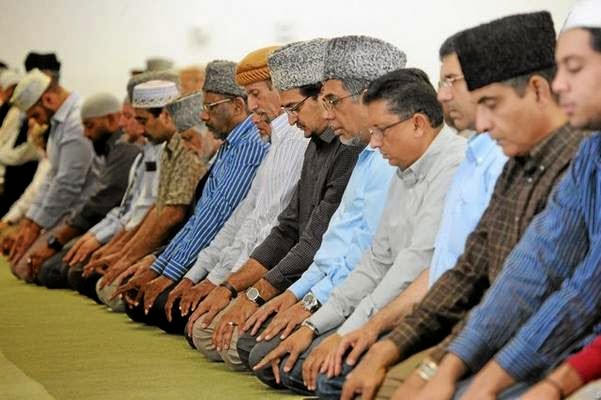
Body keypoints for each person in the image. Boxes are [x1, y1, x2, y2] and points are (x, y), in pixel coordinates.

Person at [344, 11, 588, 400]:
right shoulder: (518, 163)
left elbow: (556, 298)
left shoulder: (575, 158)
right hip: (493, 338)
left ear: (539, 90)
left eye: (575, 69)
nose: (483, 124)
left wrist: (446, 367)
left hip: (551, 354)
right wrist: (408, 354)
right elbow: (473, 271)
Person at [238, 36, 400, 390]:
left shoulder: (367, 154)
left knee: (289, 364)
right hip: (340, 289)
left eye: (332, 101)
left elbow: (369, 260)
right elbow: (329, 241)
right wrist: (297, 298)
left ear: (368, 96)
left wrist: (309, 309)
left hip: (379, 301)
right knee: (255, 346)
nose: (328, 115)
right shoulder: (364, 152)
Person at [189, 43, 362, 372]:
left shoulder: (350, 150)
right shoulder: (314, 144)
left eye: (294, 109)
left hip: (322, 283)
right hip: (302, 278)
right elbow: (285, 227)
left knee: (241, 348)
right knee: (212, 334)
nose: (291, 120)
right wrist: (230, 287)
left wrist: (257, 295)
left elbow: (315, 243)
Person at [159, 48, 310, 335]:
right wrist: (212, 280)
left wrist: (229, 286)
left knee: (202, 329)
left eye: (255, 94)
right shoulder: (276, 142)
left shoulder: (293, 141)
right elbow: (243, 220)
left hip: (273, 274)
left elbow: (273, 231)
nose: (252, 107)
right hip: (247, 268)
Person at [114, 59, 270, 329]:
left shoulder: (250, 145)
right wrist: (158, 266)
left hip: (231, 261)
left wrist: (172, 274)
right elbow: (199, 217)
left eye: (210, 107)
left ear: (237, 106)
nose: (204, 117)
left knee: (157, 306)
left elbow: (213, 218)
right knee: (137, 298)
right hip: (212, 256)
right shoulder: (231, 145)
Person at [22, 93, 141, 288]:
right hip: (108, 227)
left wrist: (59, 241)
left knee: (58, 271)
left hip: (125, 234)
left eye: (89, 126)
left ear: (111, 119)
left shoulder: (126, 148)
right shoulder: (114, 148)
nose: (85, 134)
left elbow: (101, 205)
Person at [9, 68, 97, 281]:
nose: (37, 123)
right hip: (68, 209)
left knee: (28, 268)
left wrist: (36, 228)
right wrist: (29, 222)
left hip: (85, 213)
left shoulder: (76, 121)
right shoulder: (59, 122)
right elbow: (51, 178)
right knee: (21, 265)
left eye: (35, 115)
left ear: (48, 99)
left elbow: (67, 184)